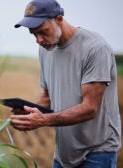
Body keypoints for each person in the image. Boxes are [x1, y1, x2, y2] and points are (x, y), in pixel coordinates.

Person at [10, 0, 121, 167]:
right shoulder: (45, 49)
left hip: (97, 152)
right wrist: (28, 113)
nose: (38, 40)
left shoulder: (94, 48)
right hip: (64, 152)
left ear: (59, 19)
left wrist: (44, 120)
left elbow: (90, 108)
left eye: (43, 32)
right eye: (34, 34)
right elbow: (47, 96)